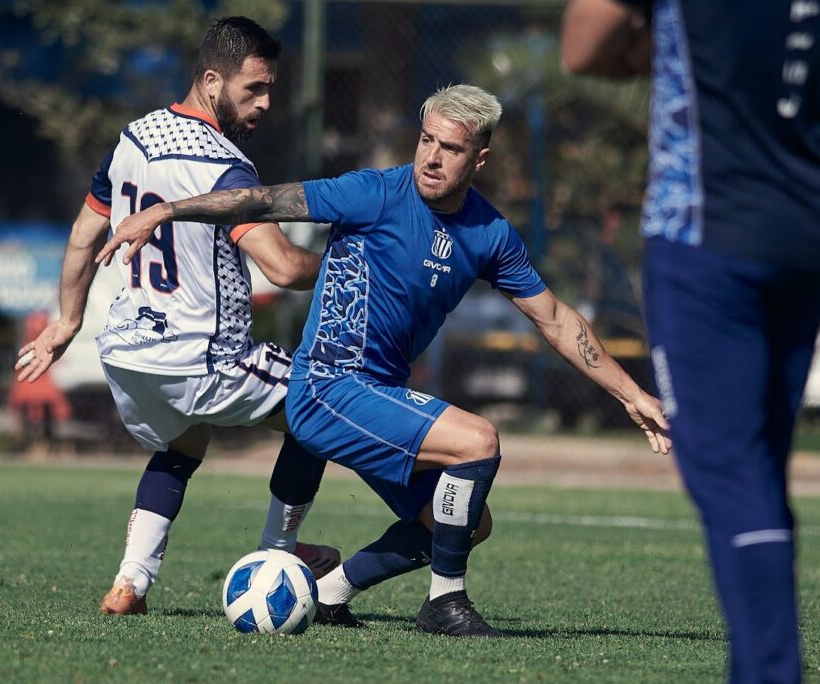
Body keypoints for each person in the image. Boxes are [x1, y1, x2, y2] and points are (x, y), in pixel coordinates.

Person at [99, 83, 671, 636]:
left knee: (465, 523)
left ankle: (329, 593)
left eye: (450, 149)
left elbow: (556, 319)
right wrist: (168, 210)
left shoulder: (490, 232)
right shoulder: (372, 192)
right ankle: (445, 602)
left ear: (480, 158)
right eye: (426, 140)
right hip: (327, 387)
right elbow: (267, 199)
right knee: (479, 440)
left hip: (378, 397)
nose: (432, 157)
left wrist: (632, 394)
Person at [15, 16, 339, 617]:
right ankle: (278, 556)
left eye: (271, 89)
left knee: (183, 443)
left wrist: (67, 321)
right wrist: (355, 264)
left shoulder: (133, 138)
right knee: (319, 410)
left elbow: (84, 235)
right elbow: (285, 269)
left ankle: (129, 584)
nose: (266, 103)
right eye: (253, 90)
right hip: (203, 354)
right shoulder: (224, 165)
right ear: (213, 80)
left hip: (129, 353)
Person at [562, 1, 820, 680]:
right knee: (761, 474)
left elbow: (583, 46)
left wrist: (655, 53)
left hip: (705, 237)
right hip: (802, 236)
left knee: (734, 480)